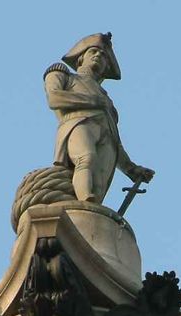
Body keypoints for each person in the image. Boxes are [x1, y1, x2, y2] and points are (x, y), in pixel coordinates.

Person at [44, 32, 154, 204]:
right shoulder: (64, 74)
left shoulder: (107, 101)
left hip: (106, 138)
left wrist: (131, 169)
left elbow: (116, 140)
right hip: (78, 123)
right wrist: (94, 101)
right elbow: (55, 98)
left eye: (103, 55)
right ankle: (85, 201)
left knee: (99, 181)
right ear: (81, 57)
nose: (98, 56)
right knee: (86, 158)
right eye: (93, 51)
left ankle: (92, 209)